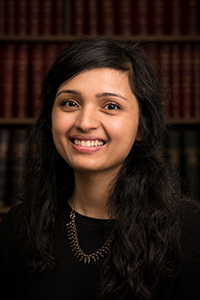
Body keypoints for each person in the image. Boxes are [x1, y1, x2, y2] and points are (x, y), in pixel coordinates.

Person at [0, 37, 200, 300]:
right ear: (50, 119)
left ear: (142, 126)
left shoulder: (191, 231)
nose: (85, 122)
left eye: (111, 106)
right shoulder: (19, 227)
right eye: (70, 103)